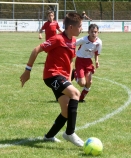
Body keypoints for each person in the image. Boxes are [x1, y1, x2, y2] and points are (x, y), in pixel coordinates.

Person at [20, 12, 84, 147]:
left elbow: (71, 59)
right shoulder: (57, 39)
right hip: (52, 75)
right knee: (76, 94)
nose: (81, 29)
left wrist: (68, 78)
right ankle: (70, 133)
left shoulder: (73, 41)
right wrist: (28, 70)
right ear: (71, 27)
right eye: (80, 26)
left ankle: (49, 136)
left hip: (62, 77)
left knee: (66, 110)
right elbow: (36, 49)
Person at [74, 24, 102, 102]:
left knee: (89, 82)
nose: (94, 33)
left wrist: (96, 61)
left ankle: (80, 99)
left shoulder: (99, 42)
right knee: (82, 83)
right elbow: (73, 44)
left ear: (98, 32)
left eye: (95, 32)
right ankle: (74, 73)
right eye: (92, 32)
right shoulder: (83, 39)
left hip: (88, 62)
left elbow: (97, 53)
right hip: (80, 60)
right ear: (88, 32)